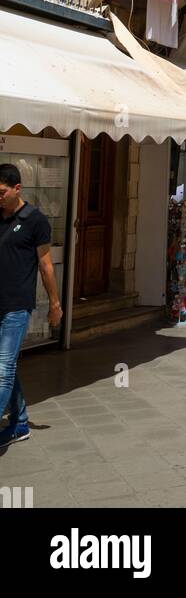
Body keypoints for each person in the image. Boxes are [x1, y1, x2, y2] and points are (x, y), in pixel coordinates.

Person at [0, 164, 62, 446]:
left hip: (16, 306)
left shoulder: (36, 220)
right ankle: (20, 423)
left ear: (17, 189)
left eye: (2, 192)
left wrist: (55, 304)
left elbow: (46, 265)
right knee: (6, 366)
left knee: (3, 367)